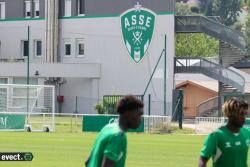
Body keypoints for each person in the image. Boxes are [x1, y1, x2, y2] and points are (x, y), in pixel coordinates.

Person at [85, 95, 144, 167]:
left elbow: (88, 161)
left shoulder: (107, 128)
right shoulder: (118, 135)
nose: (140, 119)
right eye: (139, 115)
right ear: (128, 113)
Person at [199, 97, 249, 167]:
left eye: (245, 114)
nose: (244, 117)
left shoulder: (247, 132)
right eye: (241, 113)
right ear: (231, 114)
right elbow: (202, 160)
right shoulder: (216, 135)